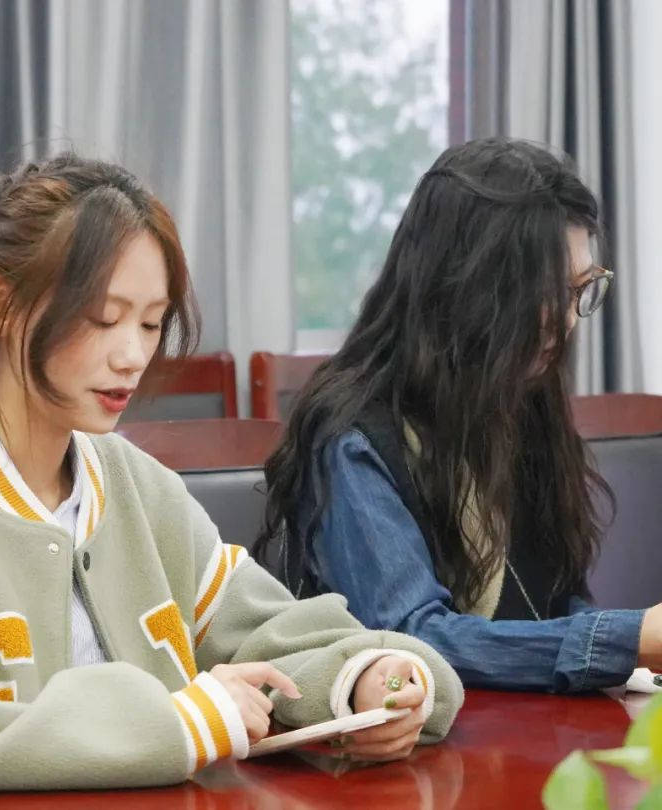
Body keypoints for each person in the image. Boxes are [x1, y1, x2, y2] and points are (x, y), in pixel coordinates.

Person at [0, 154, 461, 805]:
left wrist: (368, 681)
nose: (131, 357)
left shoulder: (140, 489)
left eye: (149, 324)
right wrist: (173, 724)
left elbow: (274, 633)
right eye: (103, 318)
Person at [258, 137, 661, 693]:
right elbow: (412, 640)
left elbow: (549, 603)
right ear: (471, 288)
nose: (568, 321)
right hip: (401, 741)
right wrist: (628, 637)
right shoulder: (351, 436)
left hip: (522, 728)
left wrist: (626, 646)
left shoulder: (520, 399)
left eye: (579, 290)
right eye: (545, 293)